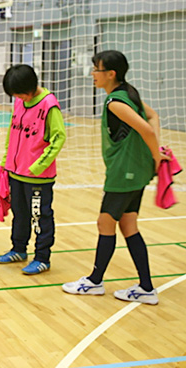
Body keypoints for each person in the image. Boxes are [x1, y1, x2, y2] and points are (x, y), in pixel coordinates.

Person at [62, 50, 168, 305]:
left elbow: (146, 129)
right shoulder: (128, 93)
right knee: (128, 225)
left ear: (110, 74)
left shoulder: (116, 103)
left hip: (125, 172)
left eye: (96, 70)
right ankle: (145, 287)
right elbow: (153, 117)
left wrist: (158, 156)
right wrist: (153, 154)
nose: (92, 74)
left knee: (105, 223)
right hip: (135, 171)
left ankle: (95, 281)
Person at [0, 64, 66, 275]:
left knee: (40, 217)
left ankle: (42, 257)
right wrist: (6, 162)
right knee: (20, 214)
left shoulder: (49, 104)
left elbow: (58, 138)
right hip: (16, 173)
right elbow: (13, 133)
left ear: (29, 87)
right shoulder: (19, 101)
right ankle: (18, 248)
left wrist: (38, 166)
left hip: (38, 178)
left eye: (18, 93)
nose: (17, 98)